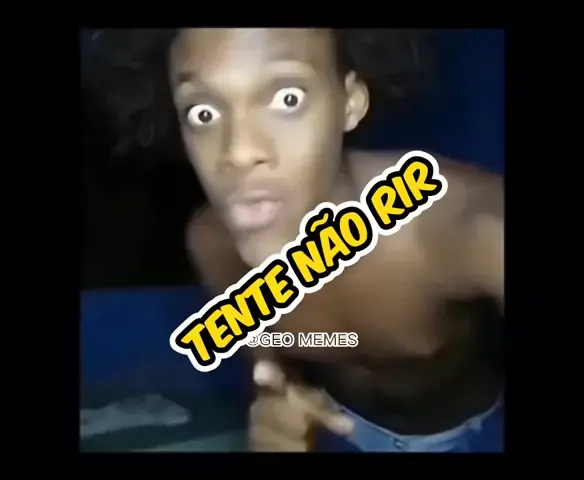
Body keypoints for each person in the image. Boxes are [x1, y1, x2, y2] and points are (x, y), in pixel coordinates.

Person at [91, 28, 504, 452]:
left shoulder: (474, 231)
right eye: (203, 112)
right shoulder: (212, 244)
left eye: (288, 98)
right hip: (338, 432)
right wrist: (276, 401)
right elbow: (271, 355)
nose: (238, 152)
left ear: (350, 102)